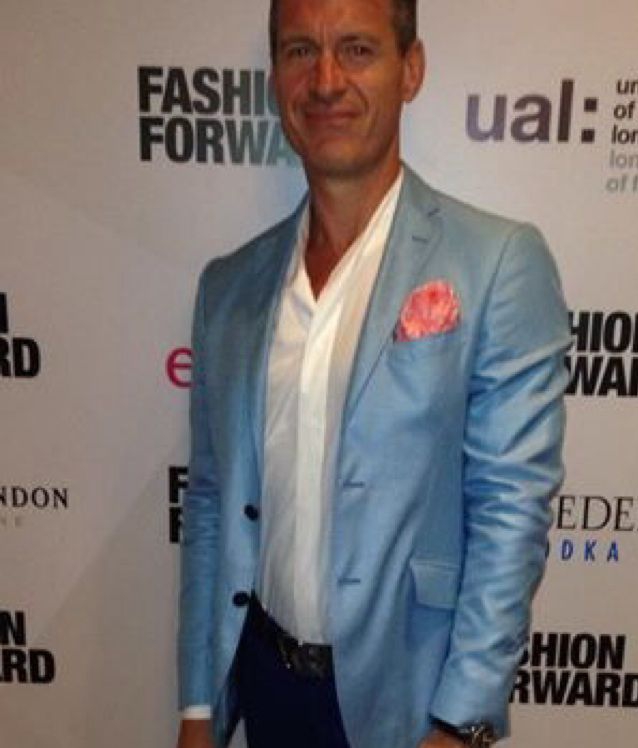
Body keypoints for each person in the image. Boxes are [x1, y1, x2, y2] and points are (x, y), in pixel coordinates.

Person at [176, 1, 570, 746]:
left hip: (411, 704)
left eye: (356, 49)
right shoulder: (227, 289)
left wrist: (459, 723)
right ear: (275, 79)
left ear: (410, 70)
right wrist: (198, 705)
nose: (326, 81)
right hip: (263, 684)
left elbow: (509, 512)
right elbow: (210, 501)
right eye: (300, 51)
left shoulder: (496, 264)